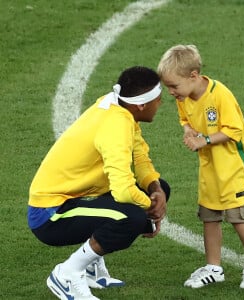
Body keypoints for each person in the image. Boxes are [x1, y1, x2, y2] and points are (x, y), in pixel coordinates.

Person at [28, 66, 170, 300]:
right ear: (141, 105)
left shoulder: (119, 108)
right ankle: (67, 273)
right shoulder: (116, 126)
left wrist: (156, 191)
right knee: (132, 218)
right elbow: (123, 191)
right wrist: (150, 206)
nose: (161, 104)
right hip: (49, 214)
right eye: (158, 99)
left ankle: (91, 267)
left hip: (75, 198)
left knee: (160, 187)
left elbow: (140, 158)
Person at [157, 45, 244, 289]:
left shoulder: (220, 95)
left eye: (174, 86)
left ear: (194, 76)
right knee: (209, 216)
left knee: (238, 217)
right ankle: (213, 268)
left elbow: (234, 130)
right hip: (210, 168)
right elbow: (185, 119)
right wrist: (189, 131)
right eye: (168, 86)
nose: (170, 92)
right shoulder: (184, 97)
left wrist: (204, 140)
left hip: (234, 167)